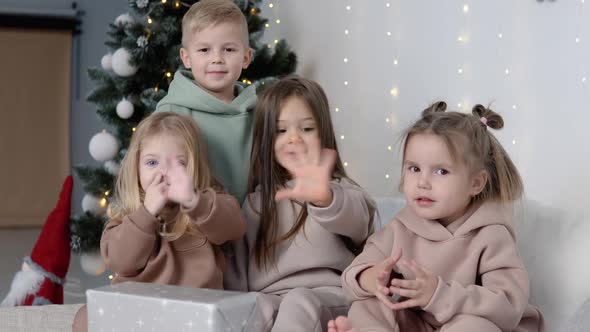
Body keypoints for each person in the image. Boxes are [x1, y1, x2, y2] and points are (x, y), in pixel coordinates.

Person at [328, 102, 545, 332]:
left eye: (441, 171)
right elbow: (354, 273)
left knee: (475, 326)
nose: (422, 182)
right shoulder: (400, 227)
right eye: (414, 168)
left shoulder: (491, 234)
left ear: (476, 183)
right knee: (370, 303)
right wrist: (370, 278)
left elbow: (508, 306)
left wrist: (438, 294)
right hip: (419, 324)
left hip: (467, 321)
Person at [225, 76, 377, 332]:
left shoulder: (340, 191)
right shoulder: (254, 202)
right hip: (273, 301)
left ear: (323, 133)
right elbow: (236, 276)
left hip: (330, 299)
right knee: (252, 308)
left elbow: (359, 220)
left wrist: (324, 197)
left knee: (298, 300)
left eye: (306, 129)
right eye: (281, 131)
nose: (294, 139)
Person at [72, 112, 246, 331]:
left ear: (194, 168)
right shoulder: (126, 215)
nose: (163, 173)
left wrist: (194, 201)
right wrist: (146, 213)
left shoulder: (208, 203)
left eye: (178, 164)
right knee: (85, 317)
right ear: (136, 169)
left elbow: (234, 227)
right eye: (152, 162)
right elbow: (121, 261)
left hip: (192, 314)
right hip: (138, 312)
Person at [156, 0, 256, 203]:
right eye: (204, 50)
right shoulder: (170, 113)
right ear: (186, 58)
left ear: (246, 57)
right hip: (195, 225)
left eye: (228, 49)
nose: (217, 59)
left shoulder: (260, 111)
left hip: (254, 225)